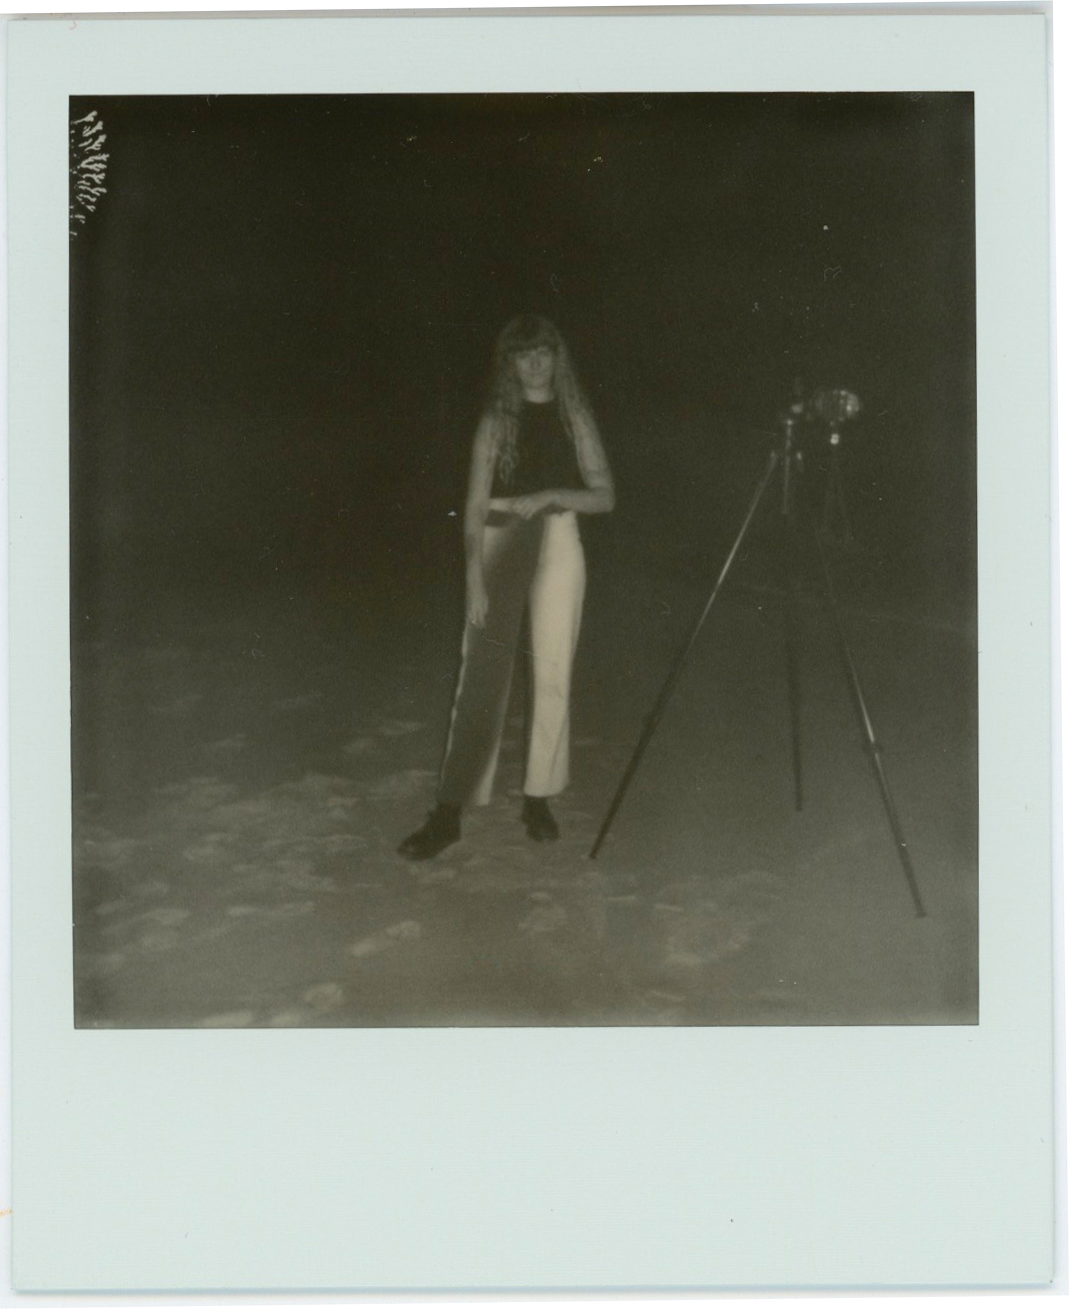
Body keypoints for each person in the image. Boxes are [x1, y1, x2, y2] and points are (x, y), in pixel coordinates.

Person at [399, 314, 615, 861]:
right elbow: (473, 505)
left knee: (553, 671)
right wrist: (473, 575)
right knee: (482, 674)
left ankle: (538, 798)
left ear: (557, 357)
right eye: (524, 354)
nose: (535, 363)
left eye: (543, 352)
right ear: (510, 363)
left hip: (558, 537)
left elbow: (604, 495)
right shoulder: (496, 420)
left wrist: (551, 496)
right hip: (500, 536)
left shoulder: (574, 415)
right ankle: (449, 811)